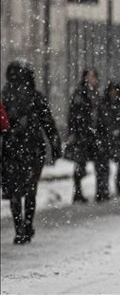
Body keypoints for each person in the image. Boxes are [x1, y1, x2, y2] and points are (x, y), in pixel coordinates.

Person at [1, 60, 61, 244]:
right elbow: (48, 122)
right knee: (30, 189)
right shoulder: (36, 96)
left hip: (11, 148)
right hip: (33, 148)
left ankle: (19, 227)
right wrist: (55, 143)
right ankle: (28, 224)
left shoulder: (5, 96)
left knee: (15, 190)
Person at [65, 67, 101, 203]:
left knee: (92, 163)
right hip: (83, 134)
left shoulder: (95, 93)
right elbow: (74, 114)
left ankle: (97, 190)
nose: (92, 80)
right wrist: (73, 132)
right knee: (80, 163)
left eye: (94, 77)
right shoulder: (81, 93)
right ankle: (78, 191)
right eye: (90, 76)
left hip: (91, 134)